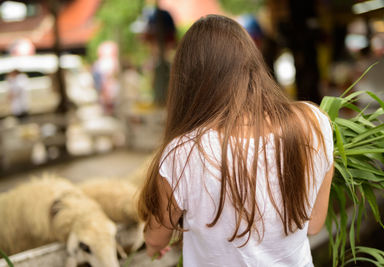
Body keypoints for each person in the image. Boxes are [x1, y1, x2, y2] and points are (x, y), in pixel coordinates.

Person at [138, 15, 334, 267]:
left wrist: (158, 243)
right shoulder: (313, 122)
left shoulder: (182, 153)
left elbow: (155, 240)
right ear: (252, 62)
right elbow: (314, 223)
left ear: (189, 81)